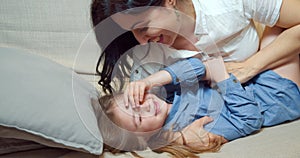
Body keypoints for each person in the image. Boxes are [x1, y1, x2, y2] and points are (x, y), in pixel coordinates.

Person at [97, 56, 300, 157]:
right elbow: (250, 119)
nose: (146, 107)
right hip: (279, 95)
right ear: (143, 140)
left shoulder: (166, 93)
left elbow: (197, 66)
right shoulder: (186, 130)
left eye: (135, 101)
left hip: (258, 77)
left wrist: (151, 81)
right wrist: (221, 77)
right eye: (139, 118)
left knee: (275, 18)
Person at [91, 0, 300, 95]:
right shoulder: (146, 60)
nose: (143, 41)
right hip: (228, 105)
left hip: (272, 76)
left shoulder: (226, 4)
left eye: (144, 26)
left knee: (275, 33)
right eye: (132, 32)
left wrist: (251, 66)